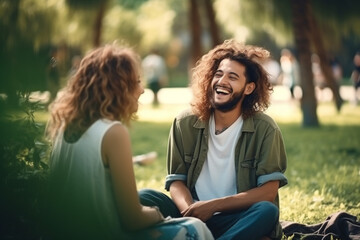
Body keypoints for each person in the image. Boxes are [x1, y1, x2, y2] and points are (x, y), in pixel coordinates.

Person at [45, 44, 213, 240]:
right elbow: (133, 219)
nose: (142, 89)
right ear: (118, 87)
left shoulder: (64, 124)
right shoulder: (113, 131)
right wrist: (159, 214)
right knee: (195, 227)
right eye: (137, 81)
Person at [139, 39, 288, 240]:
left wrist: (213, 206)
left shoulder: (265, 129)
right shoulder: (185, 122)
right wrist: (192, 215)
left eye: (233, 77)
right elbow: (176, 181)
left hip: (236, 218)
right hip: (191, 212)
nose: (222, 81)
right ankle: (195, 233)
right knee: (143, 197)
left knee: (266, 212)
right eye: (218, 74)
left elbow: (267, 193)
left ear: (249, 88)